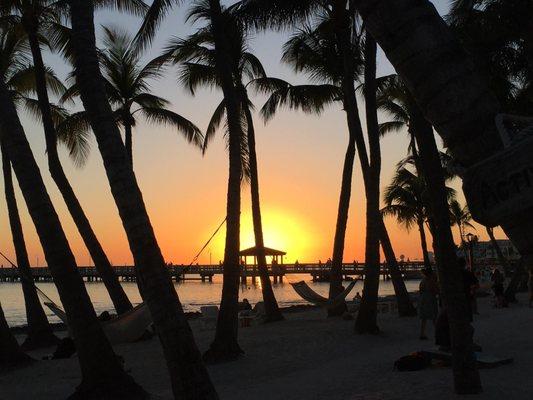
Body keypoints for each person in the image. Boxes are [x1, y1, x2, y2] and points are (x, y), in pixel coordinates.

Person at [418, 268, 439, 340]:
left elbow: (420, 290)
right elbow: (435, 290)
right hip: (430, 299)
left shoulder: (423, 281)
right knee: (434, 316)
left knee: (424, 317)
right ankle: (437, 332)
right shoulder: (431, 281)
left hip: (423, 299)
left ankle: (422, 333)